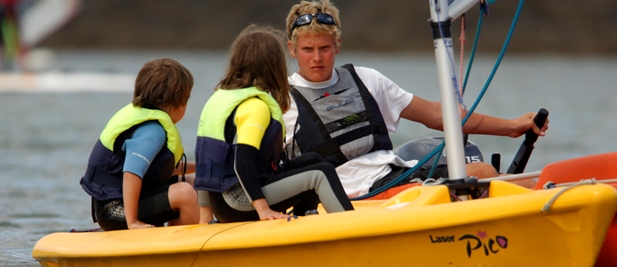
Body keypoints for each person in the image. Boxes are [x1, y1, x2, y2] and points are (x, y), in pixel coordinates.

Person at [283, 0, 549, 197]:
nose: (317, 58)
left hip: (393, 175)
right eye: (308, 49)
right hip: (347, 197)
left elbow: (437, 114)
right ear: (292, 49)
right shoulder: (281, 101)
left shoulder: (366, 79)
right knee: (483, 175)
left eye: (324, 48)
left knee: (514, 182)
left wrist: (512, 127)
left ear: (337, 45)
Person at [194, 25, 353, 224]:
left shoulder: (220, 99)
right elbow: (243, 162)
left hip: (224, 202)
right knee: (321, 174)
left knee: (313, 160)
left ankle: (303, 223)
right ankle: (355, 230)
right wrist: (263, 209)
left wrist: (205, 215)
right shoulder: (255, 106)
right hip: (240, 201)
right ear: (273, 66)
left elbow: (204, 161)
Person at [80, 58, 199, 230]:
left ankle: (180, 232)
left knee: (196, 181)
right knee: (185, 194)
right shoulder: (153, 131)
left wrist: (199, 167)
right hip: (114, 210)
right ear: (178, 103)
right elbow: (131, 173)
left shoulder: (146, 121)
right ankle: (183, 245)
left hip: (124, 203)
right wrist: (133, 222)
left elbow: (157, 170)